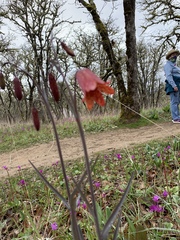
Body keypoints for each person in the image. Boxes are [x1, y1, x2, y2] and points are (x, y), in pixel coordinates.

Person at [164, 48, 180, 123]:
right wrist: (174, 85)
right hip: (173, 84)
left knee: (177, 101)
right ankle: (175, 118)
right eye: (173, 55)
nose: (175, 56)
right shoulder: (168, 65)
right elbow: (169, 76)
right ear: (170, 56)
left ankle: (178, 116)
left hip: (178, 83)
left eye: (176, 55)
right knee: (174, 101)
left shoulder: (175, 66)